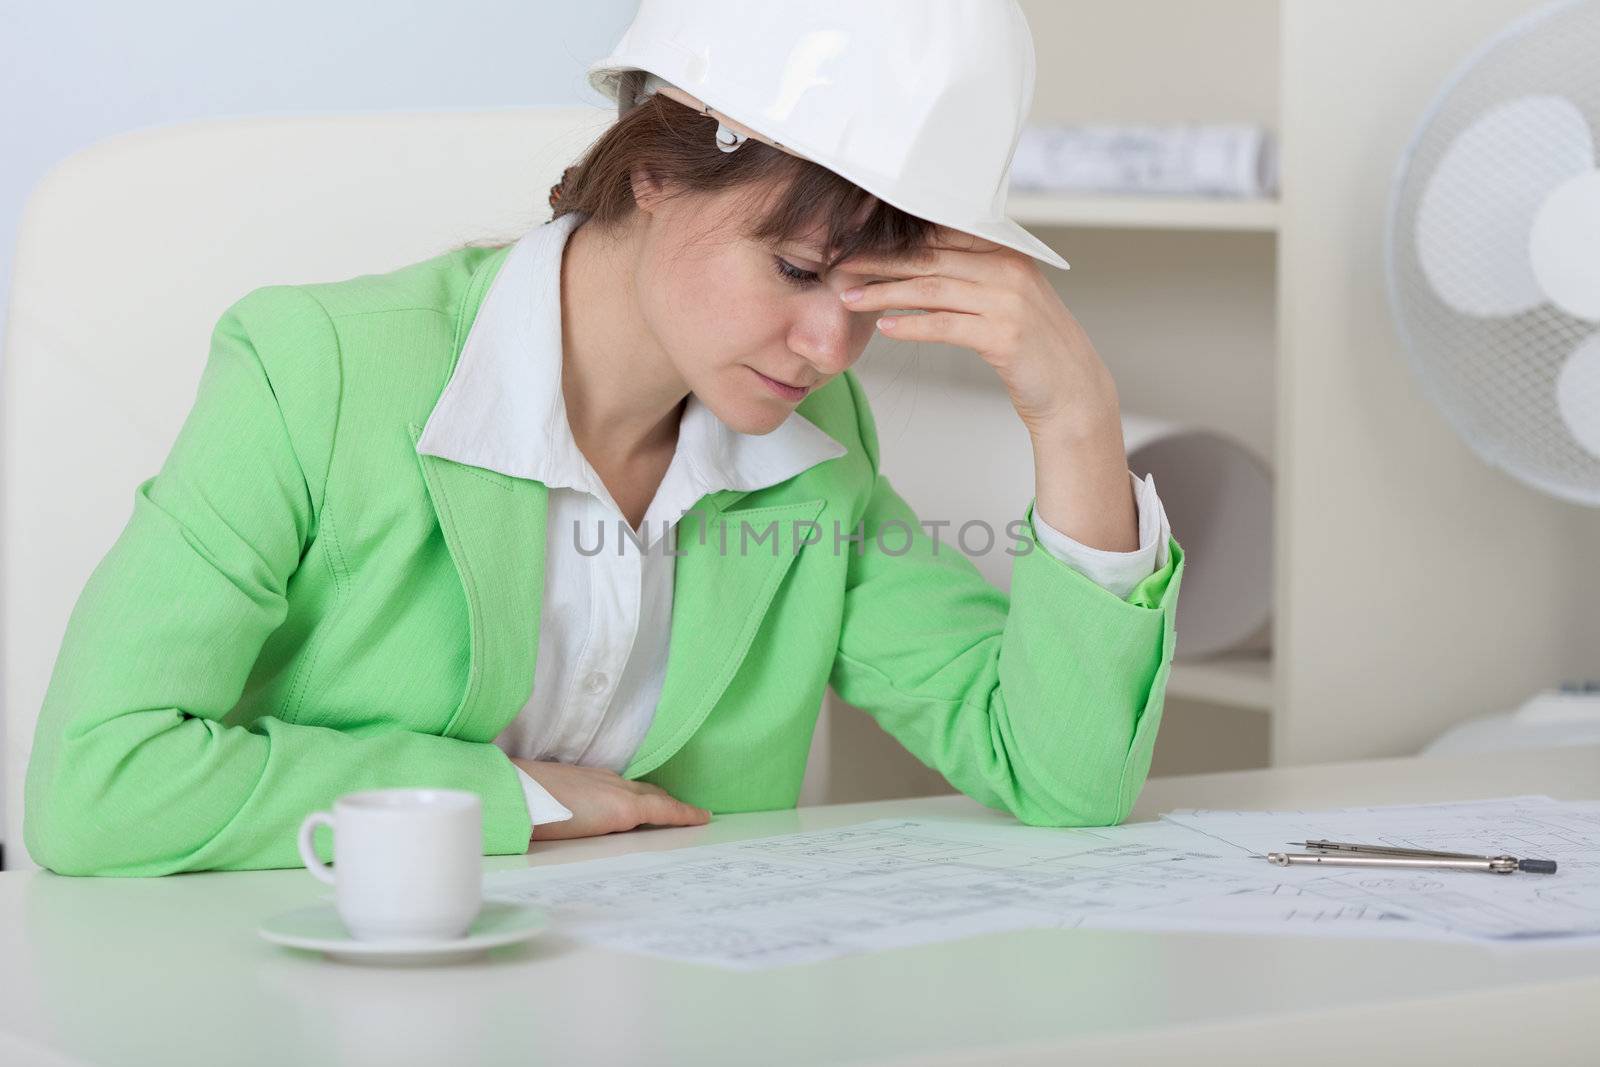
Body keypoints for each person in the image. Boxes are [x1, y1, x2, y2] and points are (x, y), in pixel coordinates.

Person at [23, 0, 1184, 876]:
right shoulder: (314, 370)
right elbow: (96, 787)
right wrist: (510, 798)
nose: (830, 346)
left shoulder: (813, 444)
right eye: (793, 271)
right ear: (650, 176)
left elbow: (1055, 774)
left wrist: (1071, 411)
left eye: (871, 301)